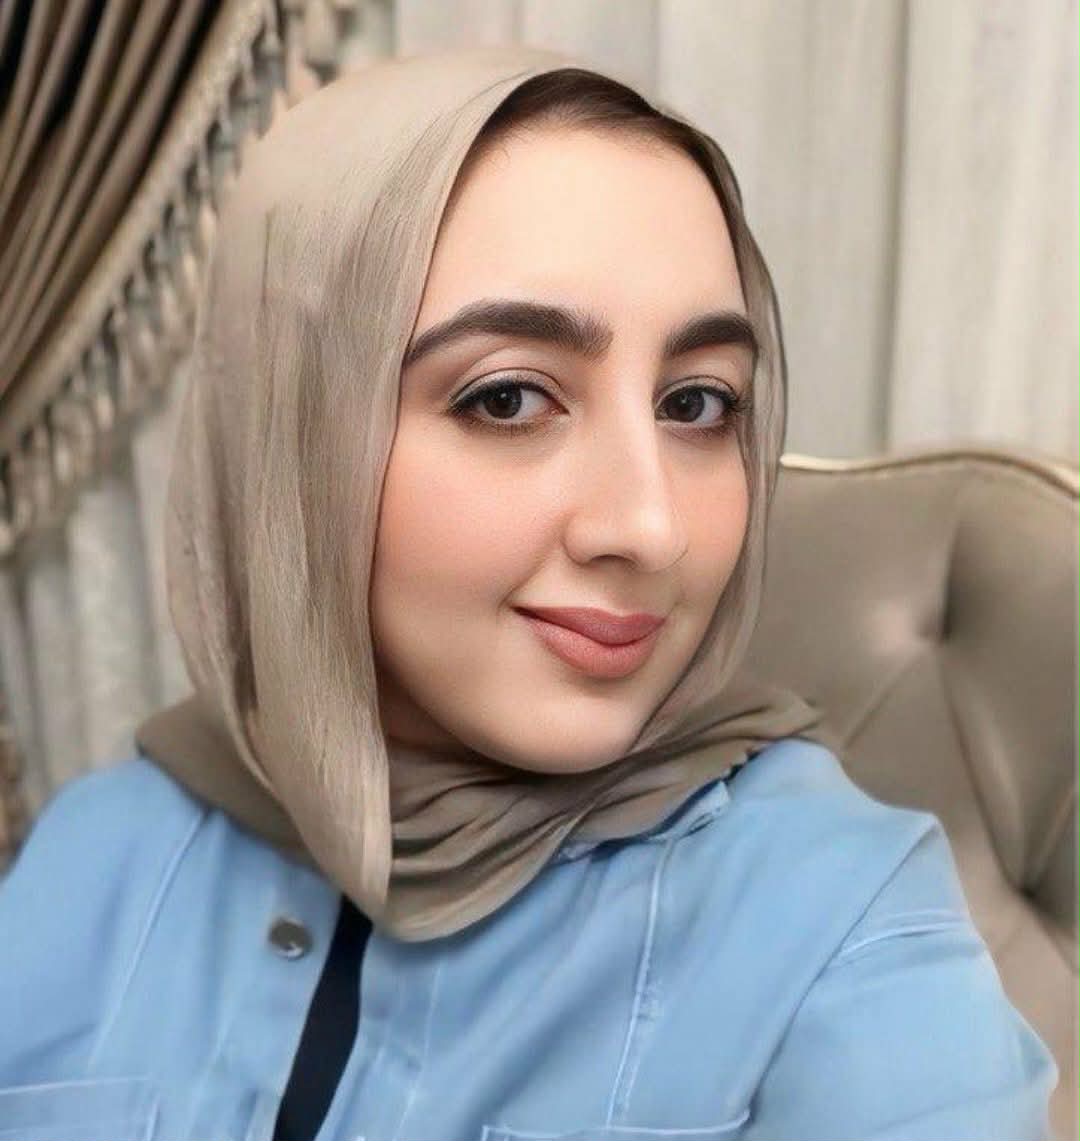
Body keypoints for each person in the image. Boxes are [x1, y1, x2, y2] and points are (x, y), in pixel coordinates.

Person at [0, 45, 1059, 1141]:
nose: (650, 528)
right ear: (291, 437)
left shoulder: (841, 926)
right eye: (508, 398)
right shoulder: (98, 851)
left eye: (698, 404)